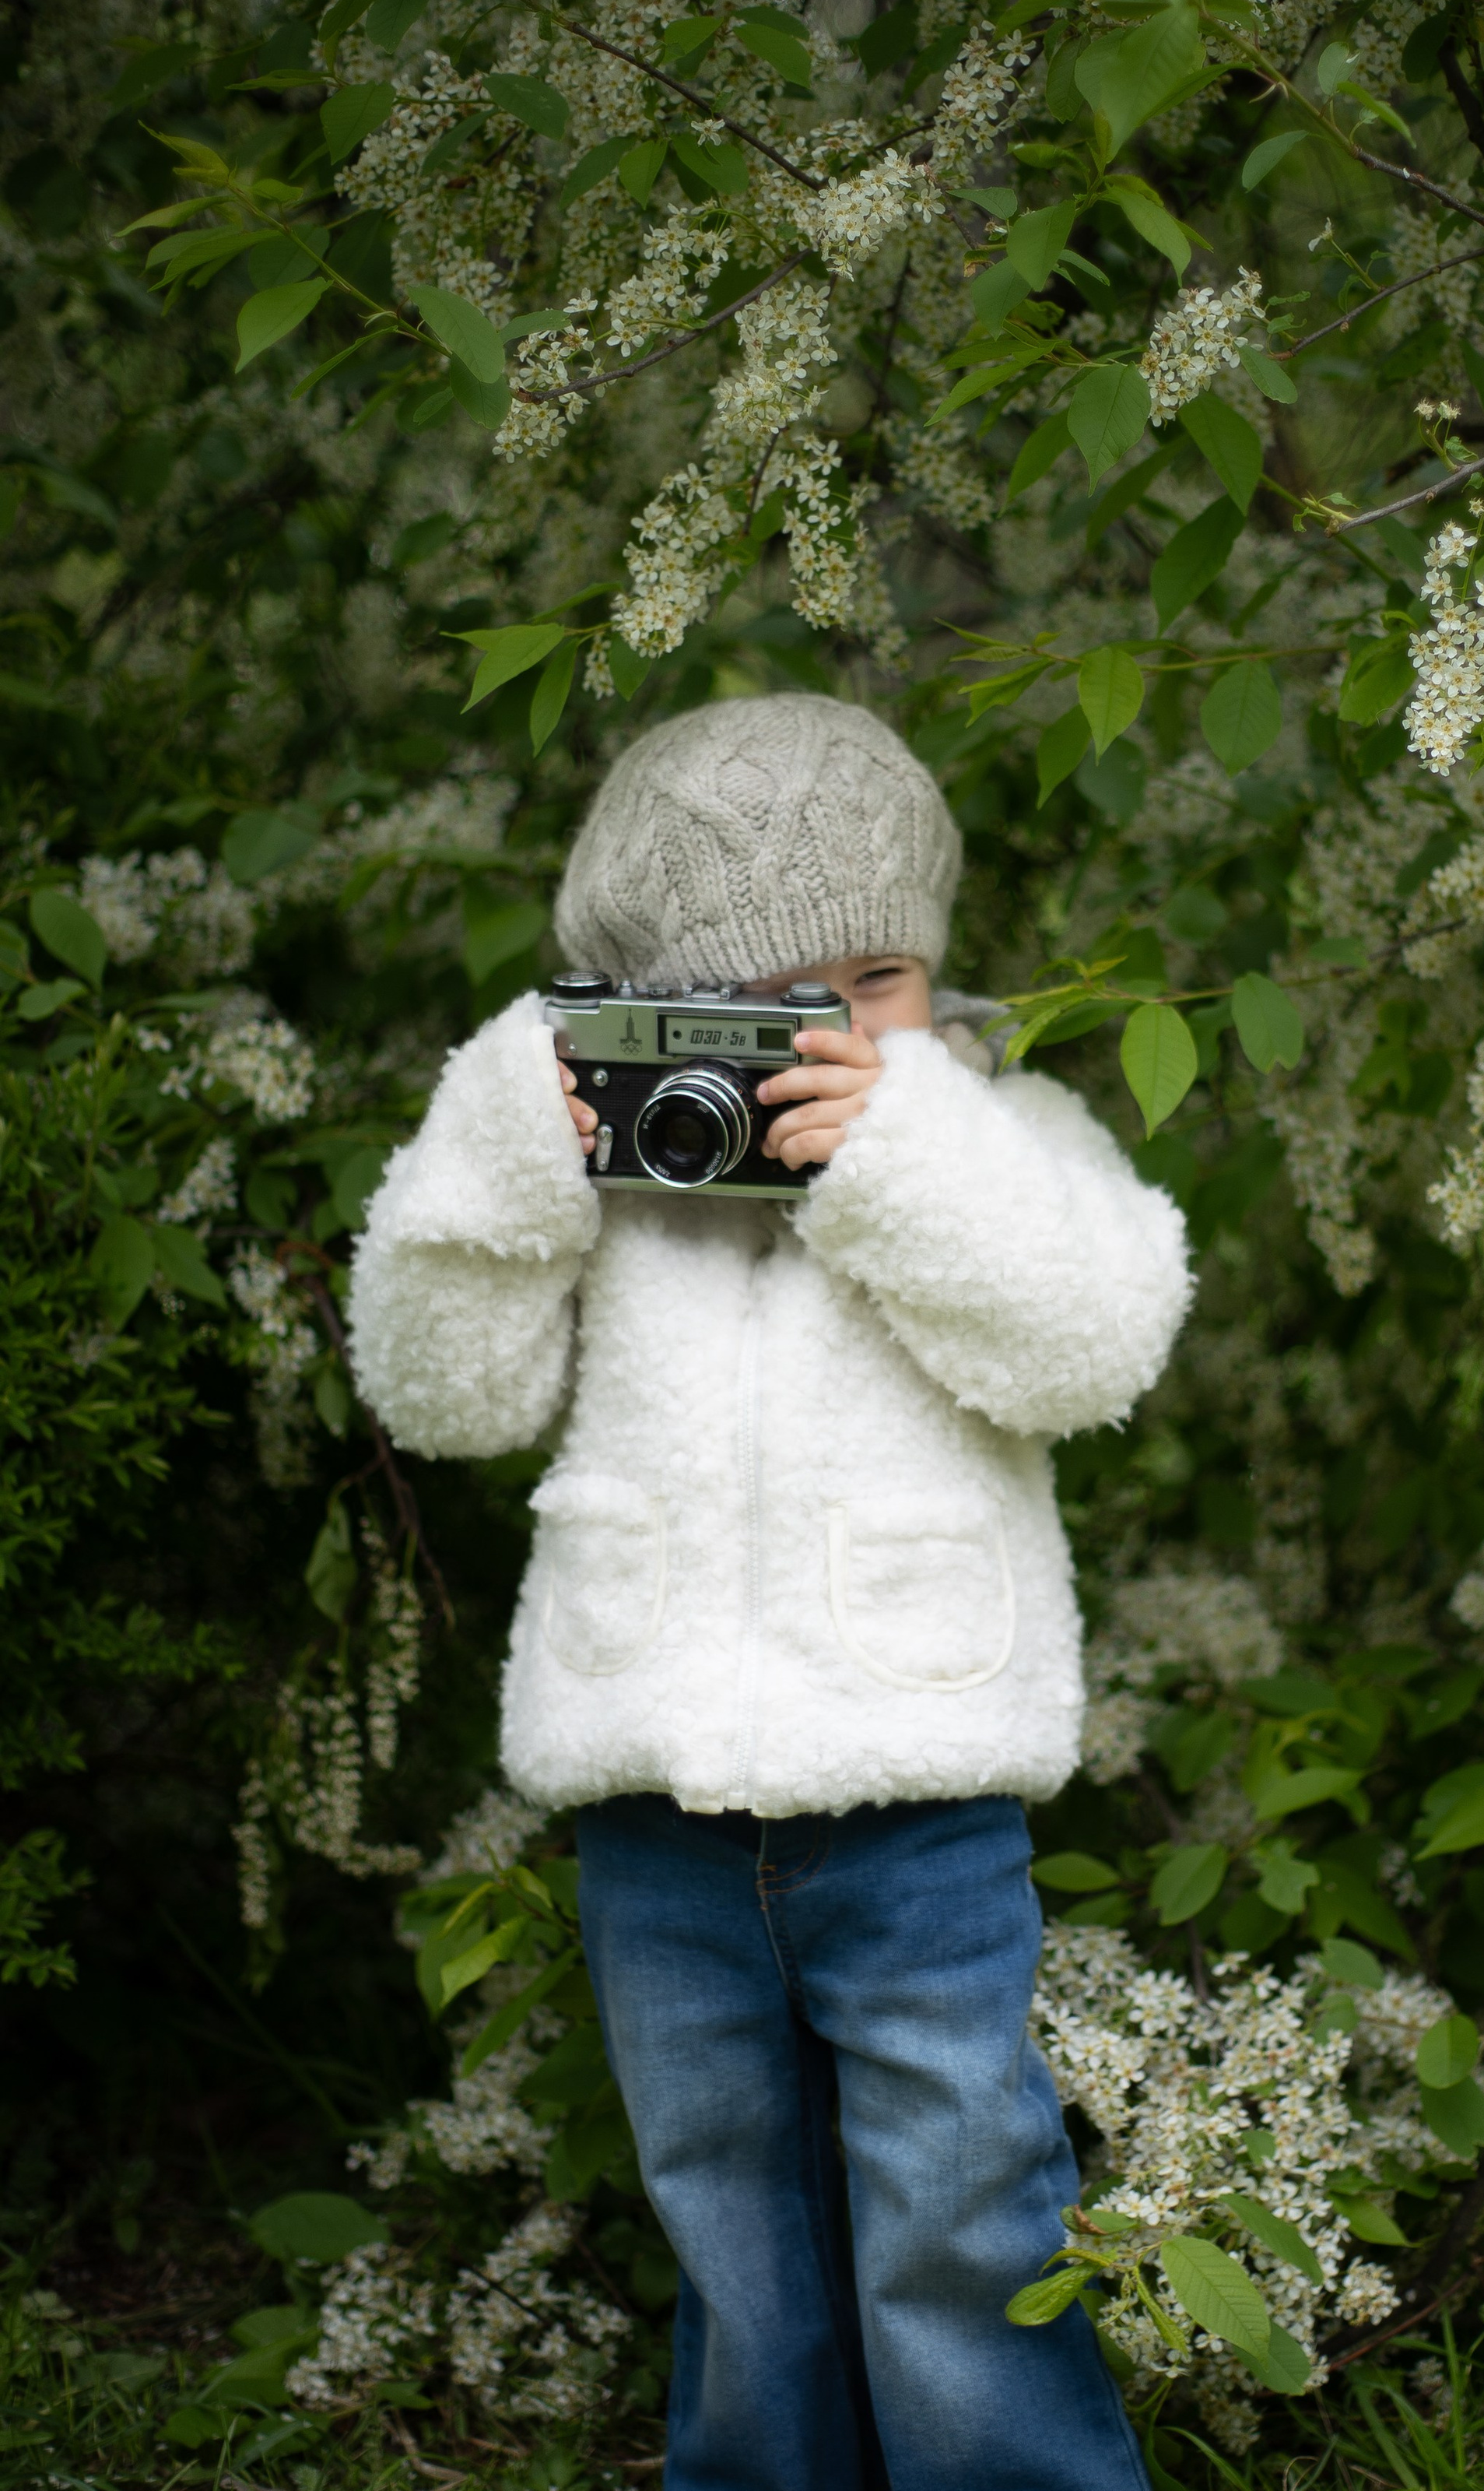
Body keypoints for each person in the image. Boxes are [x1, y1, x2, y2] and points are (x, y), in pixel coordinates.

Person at [348, 691, 1192, 2490]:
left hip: (918, 1783)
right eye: (764, 1003)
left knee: (963, 2198)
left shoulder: (997, 1124)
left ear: (933, 972)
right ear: (651, 1015)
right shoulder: (605, 1176)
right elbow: (441, 1396)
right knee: (723, 2211)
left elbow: (1095, 1341)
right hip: (652, 1786)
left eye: (873, 981)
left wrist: (899, 1148)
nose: (827, 1034)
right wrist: (505, 1144)